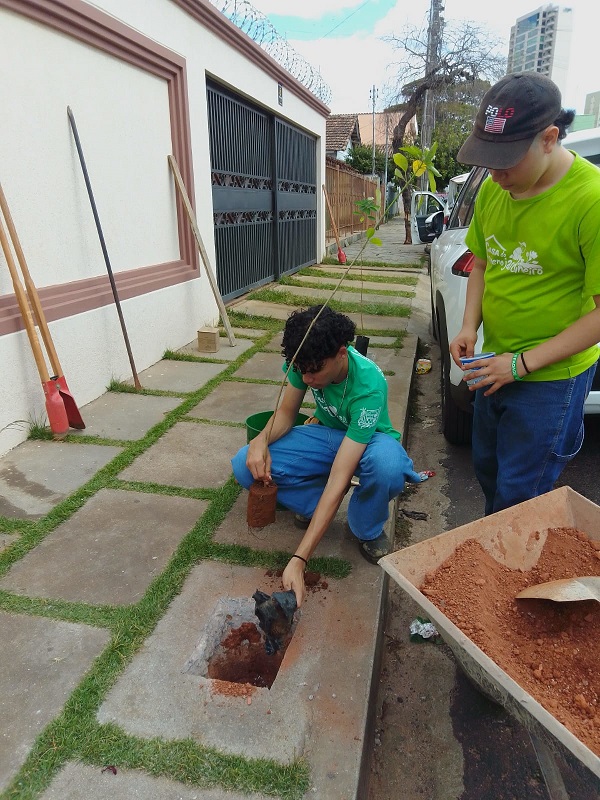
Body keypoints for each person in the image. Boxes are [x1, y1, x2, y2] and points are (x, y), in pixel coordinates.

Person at [449, 72, 600, 516]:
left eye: (506, 162)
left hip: (550, 380)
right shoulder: (494, 191)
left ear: (549, 138)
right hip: (494, 363)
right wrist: (468, 326)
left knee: (520, 496)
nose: (495, 175)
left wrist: (521, 364)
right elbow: (482, 263)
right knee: (487, 471)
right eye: (488, 161)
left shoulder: (590, 200)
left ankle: (511, 558)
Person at [231, 305, 425, 605]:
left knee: (387, 467)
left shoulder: (369, 386)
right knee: (245, 464)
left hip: (370, 441)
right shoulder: (306, 362)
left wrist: (299, 558)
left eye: (315, 371)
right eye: (301, 371)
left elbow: (340, 476)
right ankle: (315, 506)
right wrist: (260, 440)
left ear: (341, 354)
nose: (307, 378)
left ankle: (367, 527)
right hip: (328, 435)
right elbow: (286, 413)